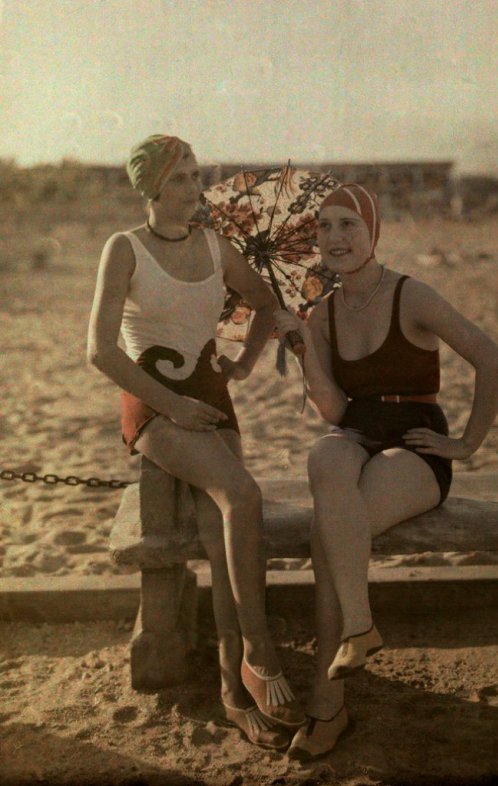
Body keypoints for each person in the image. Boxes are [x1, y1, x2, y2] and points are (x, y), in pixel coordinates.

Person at [275, 183, 498, 760]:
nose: (334, 237)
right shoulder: (324, 311)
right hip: (354, 434)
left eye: (348, 224)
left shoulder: (412, 294)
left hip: (415, 441)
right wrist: (305, 347)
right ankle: (360, 628)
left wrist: (467, 444)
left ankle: (328, 707)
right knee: (323, 453)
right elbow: (332, 412)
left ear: (372, 231)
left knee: (328, 539)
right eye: (324, 226)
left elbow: (493, 359)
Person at [87, 135, 305, 750]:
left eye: (195, 174)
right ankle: (260, 654)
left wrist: (241, 366)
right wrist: (171, 404)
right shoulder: (123, 248)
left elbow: (266, 301)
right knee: (243, 495)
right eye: (180, 177)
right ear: (151, 187)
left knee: (220, 527)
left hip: (210, 394)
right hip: (154, 402)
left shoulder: (217, 245)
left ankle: (234, 693)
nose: (192, 187)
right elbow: (100, 351)